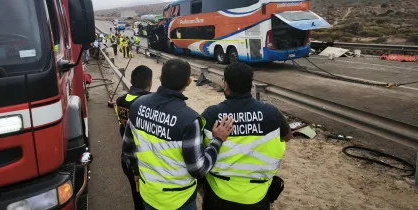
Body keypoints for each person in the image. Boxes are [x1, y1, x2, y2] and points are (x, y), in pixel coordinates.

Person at [122, 59, 234, 210]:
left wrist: (136, 172)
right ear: (188, 82)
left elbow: (128, 150)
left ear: (160, 79)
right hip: (180, 200)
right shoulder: (189, 120)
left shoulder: (137, 106)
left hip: (149, 193)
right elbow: (198, 169)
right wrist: (218, 140)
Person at [201, 62, 291, 210]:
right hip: (258, 194)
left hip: (219, 193)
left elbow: (195, 149)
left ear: (226, 85)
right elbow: (287, 137)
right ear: (251, 84)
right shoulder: (272, 113)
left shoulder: (211, 114)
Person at [117, 65, 153, 210]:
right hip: (143, 161)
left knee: (136, 195)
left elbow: (121, 128)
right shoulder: (147, 104)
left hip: (126, 158)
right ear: (149, 82)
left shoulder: (120, 100)